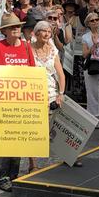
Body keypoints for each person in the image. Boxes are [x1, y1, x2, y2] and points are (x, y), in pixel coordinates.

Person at [0, 13, 36, 192]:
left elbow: (32, 74)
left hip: (22, 100)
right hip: (3, 100)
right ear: (4, 31)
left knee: (18, 138)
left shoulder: (27, 48)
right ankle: (3, 176)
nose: (16, 29)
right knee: (6, 139)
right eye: (12, 27)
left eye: (18, 26)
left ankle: (15, 174)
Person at [30, 21, 67, 170]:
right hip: (34, 93)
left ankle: (68, 156)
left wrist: (61, 93)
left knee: (56, 127)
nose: (46, 34)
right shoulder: (28, 50)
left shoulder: (53, 51)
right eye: (43, 31)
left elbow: (61, 74)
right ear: (36, 33)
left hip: (52, 91)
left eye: (48, 32)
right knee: (35, 130)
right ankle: (32, 164)